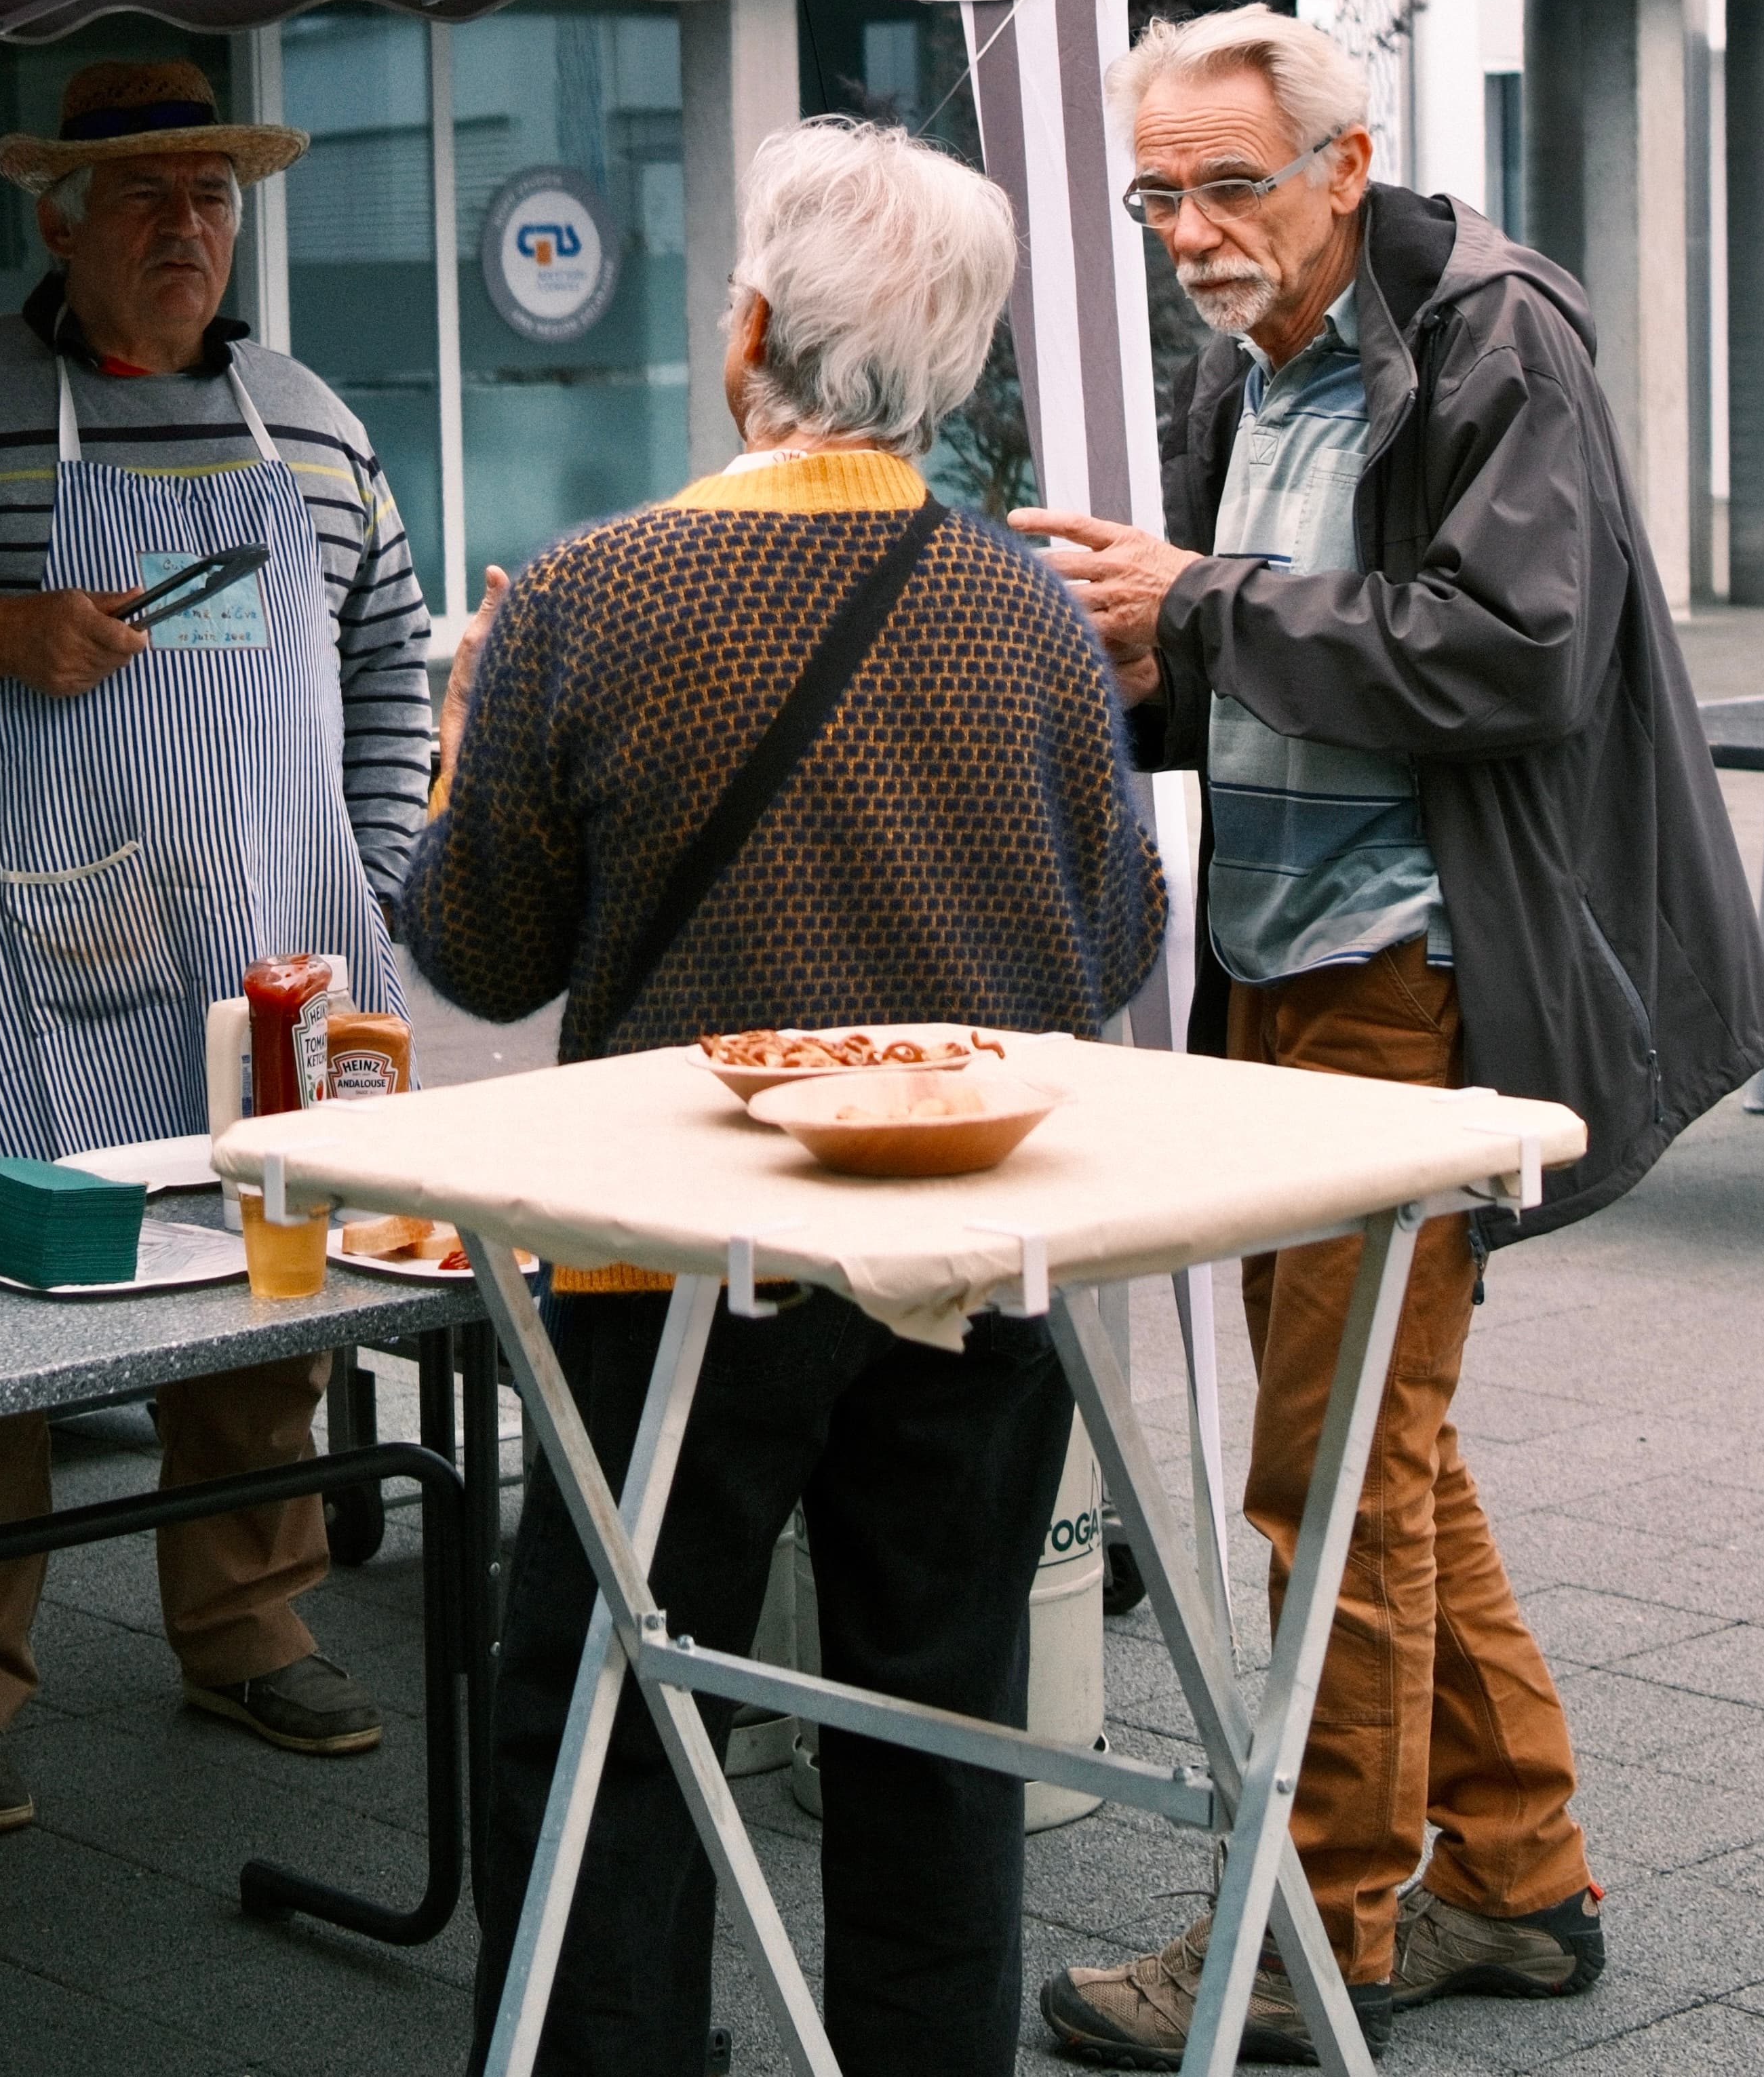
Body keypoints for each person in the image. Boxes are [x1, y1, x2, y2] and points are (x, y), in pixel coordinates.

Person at [1014, 6, 1764, 2063]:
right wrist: (1076, 633)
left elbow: (1514, 655)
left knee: (1324, 1465)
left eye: (1229, 184)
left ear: (1350, 165)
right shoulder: (1251, 353)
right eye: (1154, 194)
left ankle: (1315, 1925)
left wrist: (1191, 604)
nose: (1188, 230)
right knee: (1383, 1441)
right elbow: (1241, 656)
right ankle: (1519, 1879)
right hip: (1277, 962)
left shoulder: (1495, 339)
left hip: (1418, 967)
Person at [406, 115, 1168, 2077]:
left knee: (606, 1705)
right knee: (938, 1716)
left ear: (749, 326)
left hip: (677, 1267)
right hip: (969, 1255)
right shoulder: (1039, 622)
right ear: (962, 365)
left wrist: (466, 725)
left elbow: (479, 952)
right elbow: (1111, 953)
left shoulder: (592, 596)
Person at [0, 57, 432, 1834]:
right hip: (15, 955)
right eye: (144, 194)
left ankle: (250, 1619)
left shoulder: (320, 428)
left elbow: (384, 667)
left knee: (269, 1304)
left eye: (210, 193)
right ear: (57, 215)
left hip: (268, 957)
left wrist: (369, 883)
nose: (185, 224)